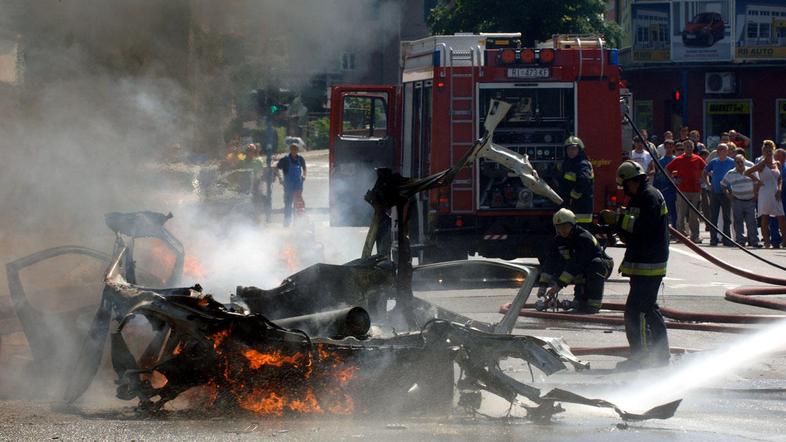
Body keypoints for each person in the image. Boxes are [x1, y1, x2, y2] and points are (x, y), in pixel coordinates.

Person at [607, 160, 670, 370]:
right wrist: (615, 224)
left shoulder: (650, 197)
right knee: (649, 309)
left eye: (624, 185)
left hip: (649, 262)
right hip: (643, 261)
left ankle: (642, 358)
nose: (624, 190)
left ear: (632, 181)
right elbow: (631, 231)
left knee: (637, 312)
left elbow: (643, 228)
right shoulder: (639, 198)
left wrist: (618, 219)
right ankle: (660, 355)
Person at [538, 208, 614, 314]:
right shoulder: (558, 240)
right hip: (582, 269)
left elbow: (577, 263)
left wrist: (558, 285)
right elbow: (550, 261)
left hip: (602, 266)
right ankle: (579, 301)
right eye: (559, 227)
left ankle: (594, 304)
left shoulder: (583, 238)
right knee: (580, 300)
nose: (562, 230)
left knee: (595, 264)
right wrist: (543, 284)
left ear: (573, 225)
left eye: (565, 226)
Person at [746, 140, 786, 248]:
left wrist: (779, 189)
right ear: (763, 152)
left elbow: (779, 179)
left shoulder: (777, 163)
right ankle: (767, 242)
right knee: (765, 217)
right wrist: (757, 181)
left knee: (781, 217)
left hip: (775, 192)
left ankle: (785, 241)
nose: (768, 153)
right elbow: (747, 172)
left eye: (770, 151)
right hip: (765, 192)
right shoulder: (761, 164)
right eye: (766, 151)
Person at [666, 140, 707, 243]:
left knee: (694, 215)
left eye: (690, 146)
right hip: (682, 191)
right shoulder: (678, 159)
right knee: (681, 214)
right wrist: (673, 180)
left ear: (693, 148)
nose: (688, 148)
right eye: (687, 146)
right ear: (684, 148)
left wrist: (702, 179)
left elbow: (705, 169)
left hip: (695, 191)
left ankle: (695, 236)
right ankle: (680, 236)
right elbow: (667, 169)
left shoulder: (698, 159)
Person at [721, 154, 761, 247]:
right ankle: (740, 241)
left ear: (744, 162)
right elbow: (723, 184)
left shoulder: (750, 170)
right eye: (737, 162)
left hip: (750, 200)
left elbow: (757, 182)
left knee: (752, 222)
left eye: (741, 162)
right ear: (734, 163)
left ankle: (754, 241)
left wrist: (756, 194)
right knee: (738, 222)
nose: (740, 164)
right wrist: (728, 195)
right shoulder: (730, 173)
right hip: (737, 201)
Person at [703, 143, 735, 246]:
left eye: (723, 149)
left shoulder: (732, 162)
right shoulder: (713, 162)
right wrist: (708, 184)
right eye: (719, 149)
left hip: (726, 192)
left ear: (727, 151)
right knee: (714, 217)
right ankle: (713, 238)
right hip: (715, 192)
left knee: (727, 217)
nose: (721, 151)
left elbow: (736, 174)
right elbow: (704, 172)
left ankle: (726, 238)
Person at [558, 136, 594, 228]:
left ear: (579, 150)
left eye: (574, 149)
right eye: (569, 149)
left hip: (581, 207)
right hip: (572, 205)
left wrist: (573, 195)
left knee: (581, 233)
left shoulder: (583, 164)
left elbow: (584, 181)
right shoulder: (568, 163)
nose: (571, 151)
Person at [276, 143, 307, 227]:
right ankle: (287, 223)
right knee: (288, 205)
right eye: (293, 149)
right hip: (288, 186)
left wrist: (304, 175)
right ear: (290, 150)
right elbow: (276, 168)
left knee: (298, 205)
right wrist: (280, 179)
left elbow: (304, 168)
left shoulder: (300, 159)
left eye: (296, 149)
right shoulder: (285, 160)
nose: (294, 151)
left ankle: (297, 223)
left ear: (297, 150)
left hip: (298, 186)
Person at [653, 139, 677, 227]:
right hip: (665, 187)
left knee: (675, 209)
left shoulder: (676, 159)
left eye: (671, 146)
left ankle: (675, 227)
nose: (669, 148)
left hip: (676, 187)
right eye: (667, 147)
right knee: (666, 209)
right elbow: (659, 175)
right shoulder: (661, 161)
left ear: (673, 147)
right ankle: (665, 227)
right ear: (665, 148)